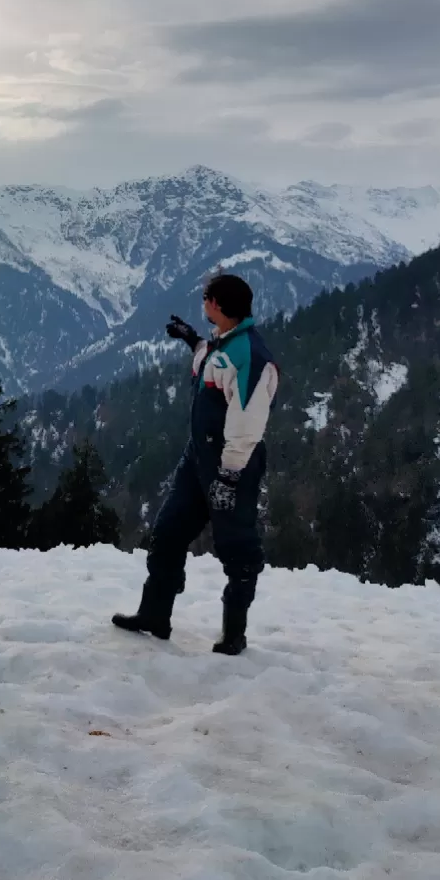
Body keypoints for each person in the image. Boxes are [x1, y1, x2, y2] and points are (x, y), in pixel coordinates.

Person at [112, 273, 280, 655]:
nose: (202, 303)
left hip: (230, 466)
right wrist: (193, 341)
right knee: (167, 533)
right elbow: (213, 364)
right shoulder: (227, 342)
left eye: (206, 297)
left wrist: (230, 474)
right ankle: (154, 615)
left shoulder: (253, 357)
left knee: (238, 549)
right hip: (197, 460)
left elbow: (247, 422)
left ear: (218, 304)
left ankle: (234, 634)